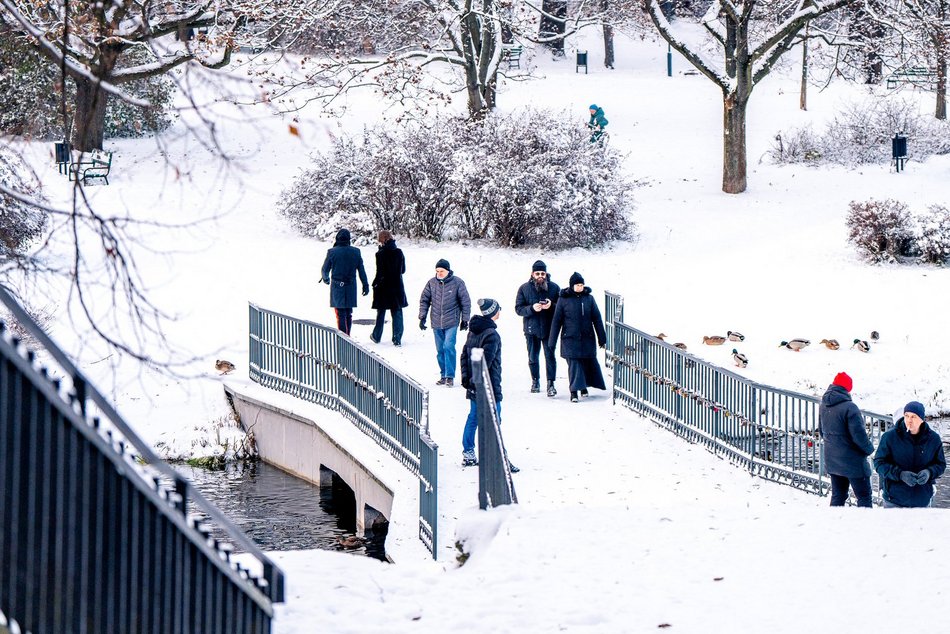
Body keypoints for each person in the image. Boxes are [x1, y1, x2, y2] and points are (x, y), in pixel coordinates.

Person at [873, 401, 946, 508]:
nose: (909, 420)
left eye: (914, 417)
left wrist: (929, 472)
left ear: (922, 419)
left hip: (922, 500)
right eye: (906, 416)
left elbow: (940, 464)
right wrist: (900, 474)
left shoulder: (933, 439)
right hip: (894, 500)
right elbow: (879, 463)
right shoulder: (890, 437)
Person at [547, 272, 607, 403]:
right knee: (574, 365)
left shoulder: (589, 299)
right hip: (569, 338)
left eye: (581, 285)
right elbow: (557, 321)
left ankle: (583, 387)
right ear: (572, 286)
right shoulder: (563, 299)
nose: (580, 287)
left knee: (586, 362)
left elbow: (596, 318)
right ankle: (573, 392)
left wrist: (602, 338)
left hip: (587, 338)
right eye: (577, 285)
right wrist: (552, 342)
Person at [817, 372, 874, 507]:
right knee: (864, 496)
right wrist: (869, 449)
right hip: (853, 462)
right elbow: (859, 436)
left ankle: (835, 524)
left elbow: (821, 432)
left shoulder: (823, 405)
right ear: (847, 389)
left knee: (838, 495)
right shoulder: (850, 408)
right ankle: (865, 525)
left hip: (833, 460)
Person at [459, 298, 502, 467]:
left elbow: (464, 355)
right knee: (495, 419)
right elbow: (487, 361)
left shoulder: (473, 331)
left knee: (473, 418)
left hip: (474, 383)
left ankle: (468, 451)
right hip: (487, 384)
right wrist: (476, 382)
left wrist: (466, 379)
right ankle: (497, 454)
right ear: (493, 313)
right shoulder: (491, 334)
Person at [418, 258, 471, 386]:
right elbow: (424, 300)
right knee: (440, 350)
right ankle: (443, 374)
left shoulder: (457, 283)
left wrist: (465, 319)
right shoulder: (431, 283)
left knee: (448, 346)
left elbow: (465, 301)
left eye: (442, 271)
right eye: (437, 271)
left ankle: (450, 376)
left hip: (451, 321)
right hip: (436, 321)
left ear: (448, 271)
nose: (439, 273)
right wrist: (422, 317)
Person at [514, 260, 560, 396]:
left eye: (543, 273)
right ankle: (535, 381)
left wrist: (551, 305)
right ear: (532, 274)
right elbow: (518, 309)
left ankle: (551, 384)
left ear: (546, 274)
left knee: (550, 356)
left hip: (549, 328)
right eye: (537, 273)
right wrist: (532, 308)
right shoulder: (524, 288)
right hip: (531, 329)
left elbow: (562, 308)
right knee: (533, 357)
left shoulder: (554, 288)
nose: (540, 276)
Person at [320, 228, 368, 335]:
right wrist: (365, 285)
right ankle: (348, 335)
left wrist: (326, 279)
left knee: (340, 313)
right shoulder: (356, 252)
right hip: (351, 285)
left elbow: (324, 270)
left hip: (337, 286)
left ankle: (343, 338)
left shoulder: (332, 252)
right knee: (348, 312)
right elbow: (361, 270)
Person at [369, 230, 407, 346]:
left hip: (383, 287)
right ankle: (397, 338)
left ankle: (376, 336)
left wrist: (375, 283)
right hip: (397, 287)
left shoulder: (380, 254)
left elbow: (380, 272)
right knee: (397, 312)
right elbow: (403, 270)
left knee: (381, 312)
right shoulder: (399, 252)